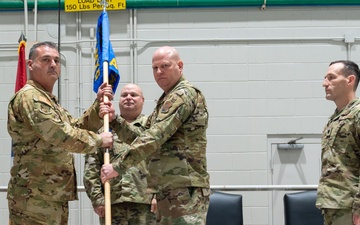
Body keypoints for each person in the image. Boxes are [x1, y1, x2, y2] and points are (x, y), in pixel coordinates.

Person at [100, 46, 211, 224]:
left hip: (184, 188)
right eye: (155, 68)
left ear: (180, 66)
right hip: (169, 188)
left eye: (165, 66)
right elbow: (142, 134)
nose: (159, 72)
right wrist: (114, 121)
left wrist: (118, 167)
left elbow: (154, 136)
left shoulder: (183, 94)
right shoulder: (166, 98)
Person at [7, 41, 114, 225]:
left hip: (49, 195)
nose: (53, 64)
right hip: (34, 199)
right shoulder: (31, 97)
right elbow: (61, 135)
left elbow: (76, 127)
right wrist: (99, 140)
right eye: (46, 60)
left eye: (57, 60)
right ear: (30, 65)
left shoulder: (48, 100)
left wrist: (98, 108)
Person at [83, 83, 157, 225]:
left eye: (133, 95)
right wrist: (97, 199)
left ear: (143, 99)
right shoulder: (103, 130)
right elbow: (91, 168)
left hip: (146, 204)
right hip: (113, 203)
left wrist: (158, 195)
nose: (128, 98)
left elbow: (162, 163)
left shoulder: (152, 129)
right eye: (124, 95)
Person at [317, 60, 360, 225]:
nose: (324, 83)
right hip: (333, 205)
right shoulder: (334, 119)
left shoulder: (357, 115)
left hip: (351, 207)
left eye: (331, 77)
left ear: (350, 80)